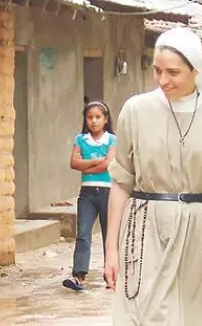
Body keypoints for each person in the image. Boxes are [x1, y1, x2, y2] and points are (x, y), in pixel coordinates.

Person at [104, 27, 202, 325]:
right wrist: (111, 249)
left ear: (195, 70)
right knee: (147, 315)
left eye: (173, 72)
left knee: (194, 316)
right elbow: (121, 182)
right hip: (146, 227)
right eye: (157, 71)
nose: (163, 80)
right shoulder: (135, 110)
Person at [63, 101, 116, 291]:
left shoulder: (112, 140)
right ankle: (79, 276)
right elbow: (73, 164)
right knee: (83, 234)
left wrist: (86, 163)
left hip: (108, 192)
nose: (94, 121)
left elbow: (108, 165)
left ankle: (112, 277)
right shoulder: (80, 139)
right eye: (90, 117)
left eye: (98, 117)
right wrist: (97, 160)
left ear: (106, 120)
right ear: (85, 119)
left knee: (109, 235)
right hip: (87, 193)